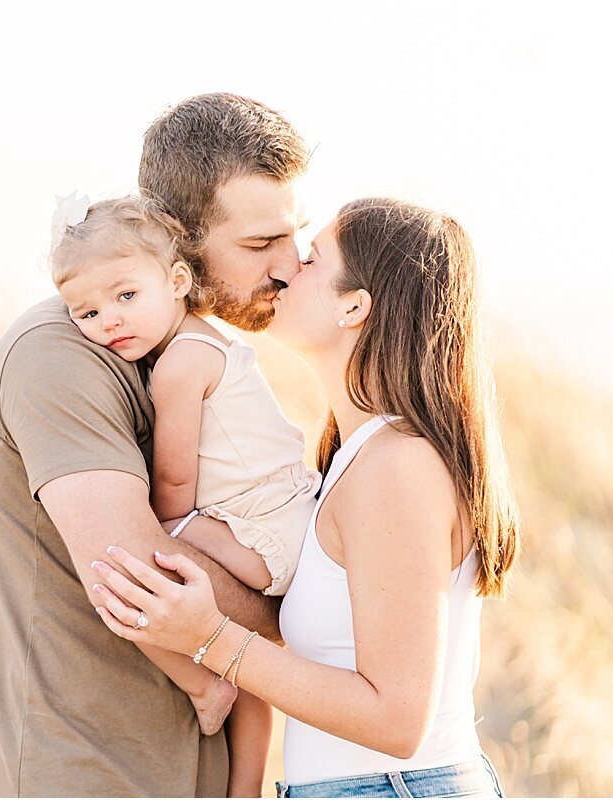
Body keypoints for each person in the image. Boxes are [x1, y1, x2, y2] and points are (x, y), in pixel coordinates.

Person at [90, 198, 520, 798]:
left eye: (312, 257)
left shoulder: (396, 466)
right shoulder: (356, 453)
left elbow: (395, 718)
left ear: (353, 306)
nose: (286, 267)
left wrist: (209, 637)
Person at [0, 92, 309, 796]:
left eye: (293, 237)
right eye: (260, 244)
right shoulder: (59, 357)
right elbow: (140, 566)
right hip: (81, 776)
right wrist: (300, 610)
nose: (290, 266)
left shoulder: (192, 357)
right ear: (178, 239)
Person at [50, 194, 321, 795]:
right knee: (251, 662)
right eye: (86, 312)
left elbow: (174, 485)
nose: (110, 321)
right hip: (285, 521)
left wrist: (163, 525)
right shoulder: (203, 338)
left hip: (263, 534)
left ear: (176, 281)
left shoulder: (177, 366)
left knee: (123, 571)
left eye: (125, 297)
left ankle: (203, 683)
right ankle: (244, 789)